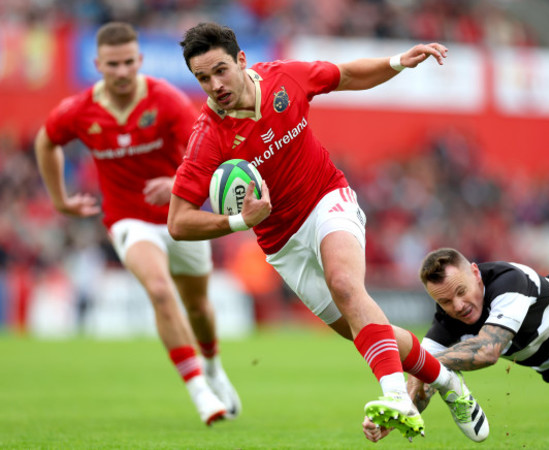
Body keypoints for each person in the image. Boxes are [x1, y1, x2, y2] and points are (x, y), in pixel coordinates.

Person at [167, 22, 489, 442]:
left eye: (220, 70)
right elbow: (178, 222)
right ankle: (449, 383)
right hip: (282, 243)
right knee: (363, 328)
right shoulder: (208, 137)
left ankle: (395, 396)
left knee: (345, 284)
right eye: (203, 78)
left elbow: (348, 75)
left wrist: (397, 62)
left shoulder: (285, 78)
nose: (215, 84)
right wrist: (240, 222)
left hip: (326, 199)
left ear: (241, 60)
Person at [34, 22, 241, 426]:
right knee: (161, 292)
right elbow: (46, 141)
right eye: (113, 64)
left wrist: (177, 182)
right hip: (128, 220)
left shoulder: (166, 100)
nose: (122, 71)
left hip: (180, 217)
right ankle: (200, 390)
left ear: (140, 61)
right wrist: (59, 199)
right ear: (98, 64)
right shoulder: (79, 110)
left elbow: (206, 150)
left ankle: (214, 366)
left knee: (198, 306)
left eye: (129, 62)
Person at [365, 247, 549, 442]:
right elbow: (420, 384)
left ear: (476, 274)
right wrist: (395, 414)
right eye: (445, 301)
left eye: (461, 292)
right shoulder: (446, 322)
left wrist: (427, 365)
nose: (458, 306)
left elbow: (488, 351)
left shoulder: (508, 281)